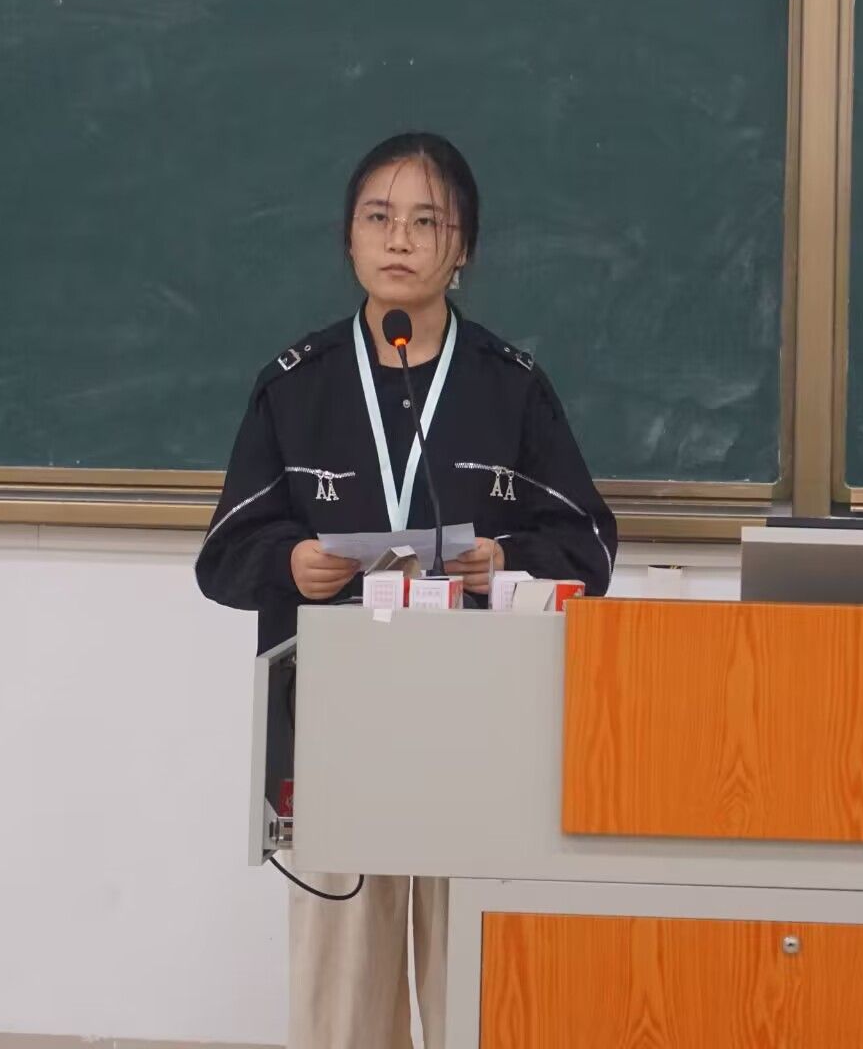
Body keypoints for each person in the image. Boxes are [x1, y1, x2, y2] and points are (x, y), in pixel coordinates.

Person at [196, 131, 617, 1049]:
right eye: (379, 218)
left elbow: (588, 547)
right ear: (347, 237)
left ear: (463, 249)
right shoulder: (294, 387)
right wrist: (292, 565)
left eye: (428, 222)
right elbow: (225, 556)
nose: (400, 240)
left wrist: (506, 559)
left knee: (478, 992)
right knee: (346, 1004)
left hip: (485, 737)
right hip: (335, 737)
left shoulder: (513, 389)